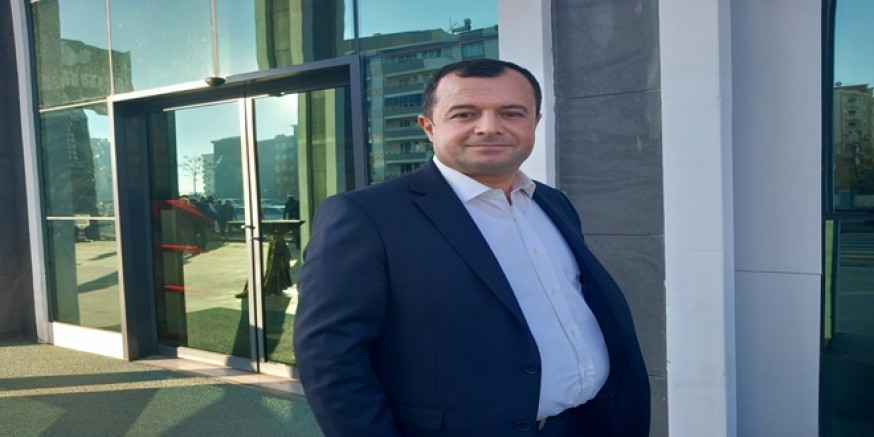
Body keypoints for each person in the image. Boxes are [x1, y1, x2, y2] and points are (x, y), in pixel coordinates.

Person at [293, 59, 650, 436]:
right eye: (465, 113)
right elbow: (330, 356)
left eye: (511, 113)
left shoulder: (553, 203)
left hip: (584, 425)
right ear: (428, 127)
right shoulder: (367, 215)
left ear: (535, 123)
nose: (489, 127)